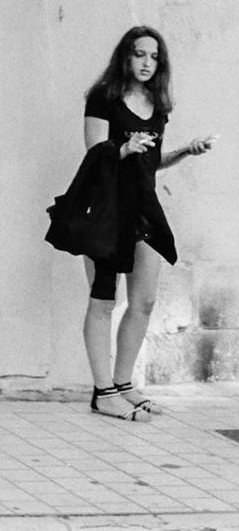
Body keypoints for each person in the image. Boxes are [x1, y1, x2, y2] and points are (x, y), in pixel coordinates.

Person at [80, 26, 216, 420]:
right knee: (103, 299)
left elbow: (150, 164)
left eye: (154, 57)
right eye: (139, 54)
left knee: (144, 301)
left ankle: (123, 383)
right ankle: (103, 392)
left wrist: (185, 152)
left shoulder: (157, 106)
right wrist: (123, 148)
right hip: (105, 209)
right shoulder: (103, 98)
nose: (146, 63)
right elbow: (94, 157)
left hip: (143, 208)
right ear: (125, 57)